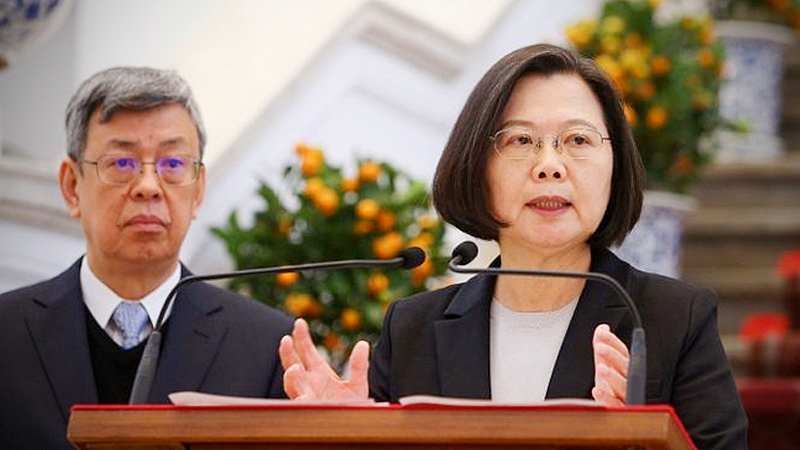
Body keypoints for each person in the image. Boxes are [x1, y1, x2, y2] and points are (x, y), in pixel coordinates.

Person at [279, 44, 748, 449]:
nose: (549, 165)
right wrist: (343, 436)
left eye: (578, 139)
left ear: (614, 166)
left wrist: (645, 440)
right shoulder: (414, 330)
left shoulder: (673, 320)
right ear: (476, 167)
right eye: (521, 139)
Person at [0, 67, 293, 449]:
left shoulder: (266, 346)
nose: (149, 187)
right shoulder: (7, 334)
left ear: (198, 190)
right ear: (72, 187)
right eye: (122, 164)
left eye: (172, 165)